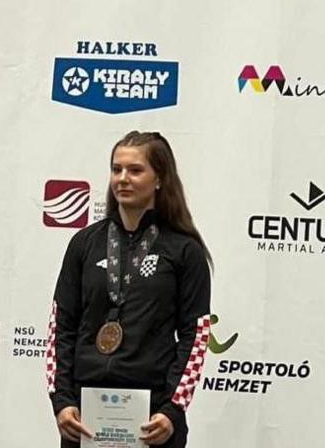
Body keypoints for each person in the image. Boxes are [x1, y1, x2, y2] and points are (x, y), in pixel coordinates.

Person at [46, 131, 212, 447]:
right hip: (85, 415)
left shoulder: (183, 251)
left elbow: (196, 335)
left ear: (160, 178)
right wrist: (63, 401)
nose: (123, 178)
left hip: (152, 418)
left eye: (135, 170)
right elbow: (61, 327)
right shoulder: (85, 243)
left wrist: (172, 410)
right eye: (116, 169)